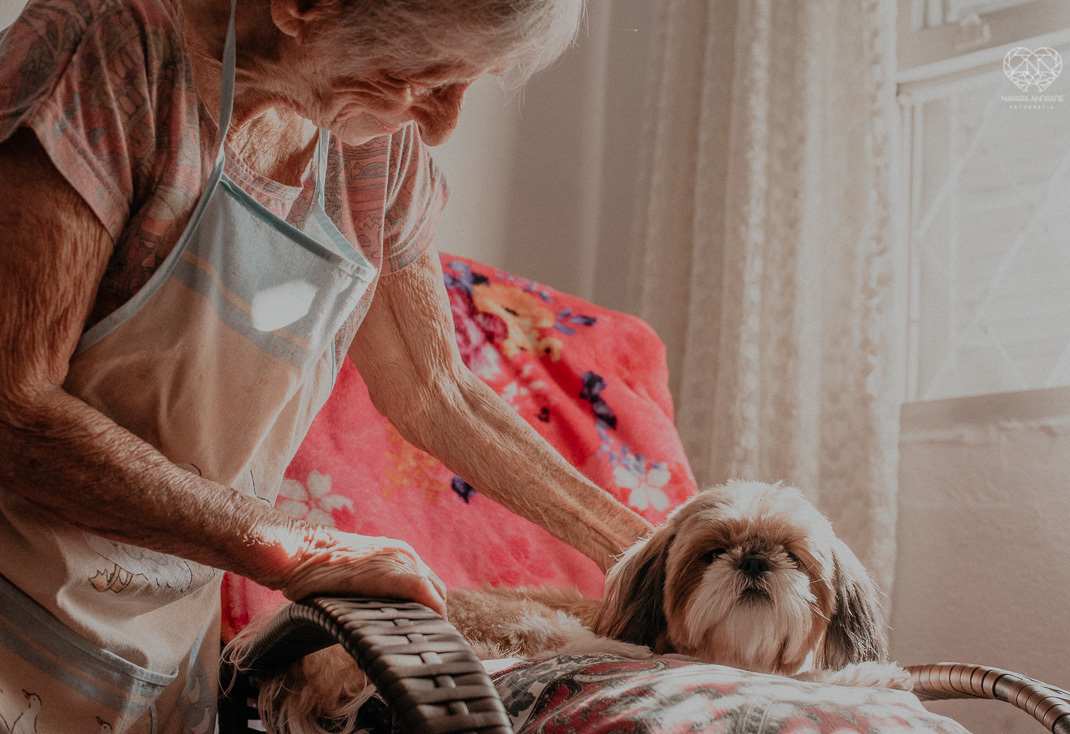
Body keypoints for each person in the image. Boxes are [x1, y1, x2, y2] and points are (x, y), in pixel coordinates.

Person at [0, 0, 652, 729]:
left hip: (157, 659)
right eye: (424, 77)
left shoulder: (372, 144)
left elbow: (438, 391)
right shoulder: (109, 54)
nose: (440, 126)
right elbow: (12, 407)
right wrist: (291, 546)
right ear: (304, 8)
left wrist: (647, 555)